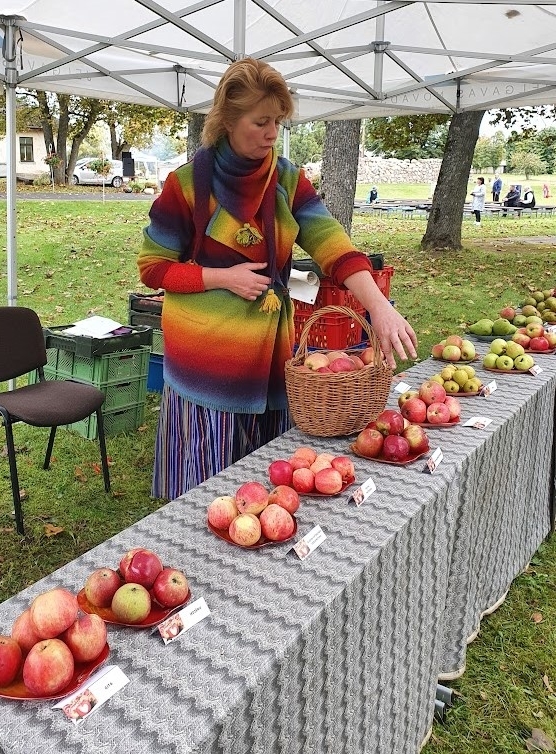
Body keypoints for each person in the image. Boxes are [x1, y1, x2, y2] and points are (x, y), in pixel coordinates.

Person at [138, 57, 417, 501]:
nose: (272, 133)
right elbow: (153, 268)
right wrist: (219, 277)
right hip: (207, 360)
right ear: (228, 120)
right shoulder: (187, 185)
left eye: (278, 121)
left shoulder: (286, 180)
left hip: (271, 350)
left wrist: (379, 305)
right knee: (208, 489)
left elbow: (334, 247)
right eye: (261, 121)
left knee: (267, 491)